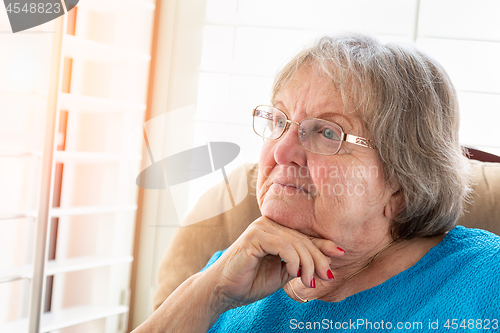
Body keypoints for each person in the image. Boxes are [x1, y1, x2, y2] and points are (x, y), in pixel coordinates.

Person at [133, 34, 500, 332]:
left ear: (403, 183)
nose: (281, 152)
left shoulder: (486, 279)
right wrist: (209, 292)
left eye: (327, 132)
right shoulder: (229, 274)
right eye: (279, 121)